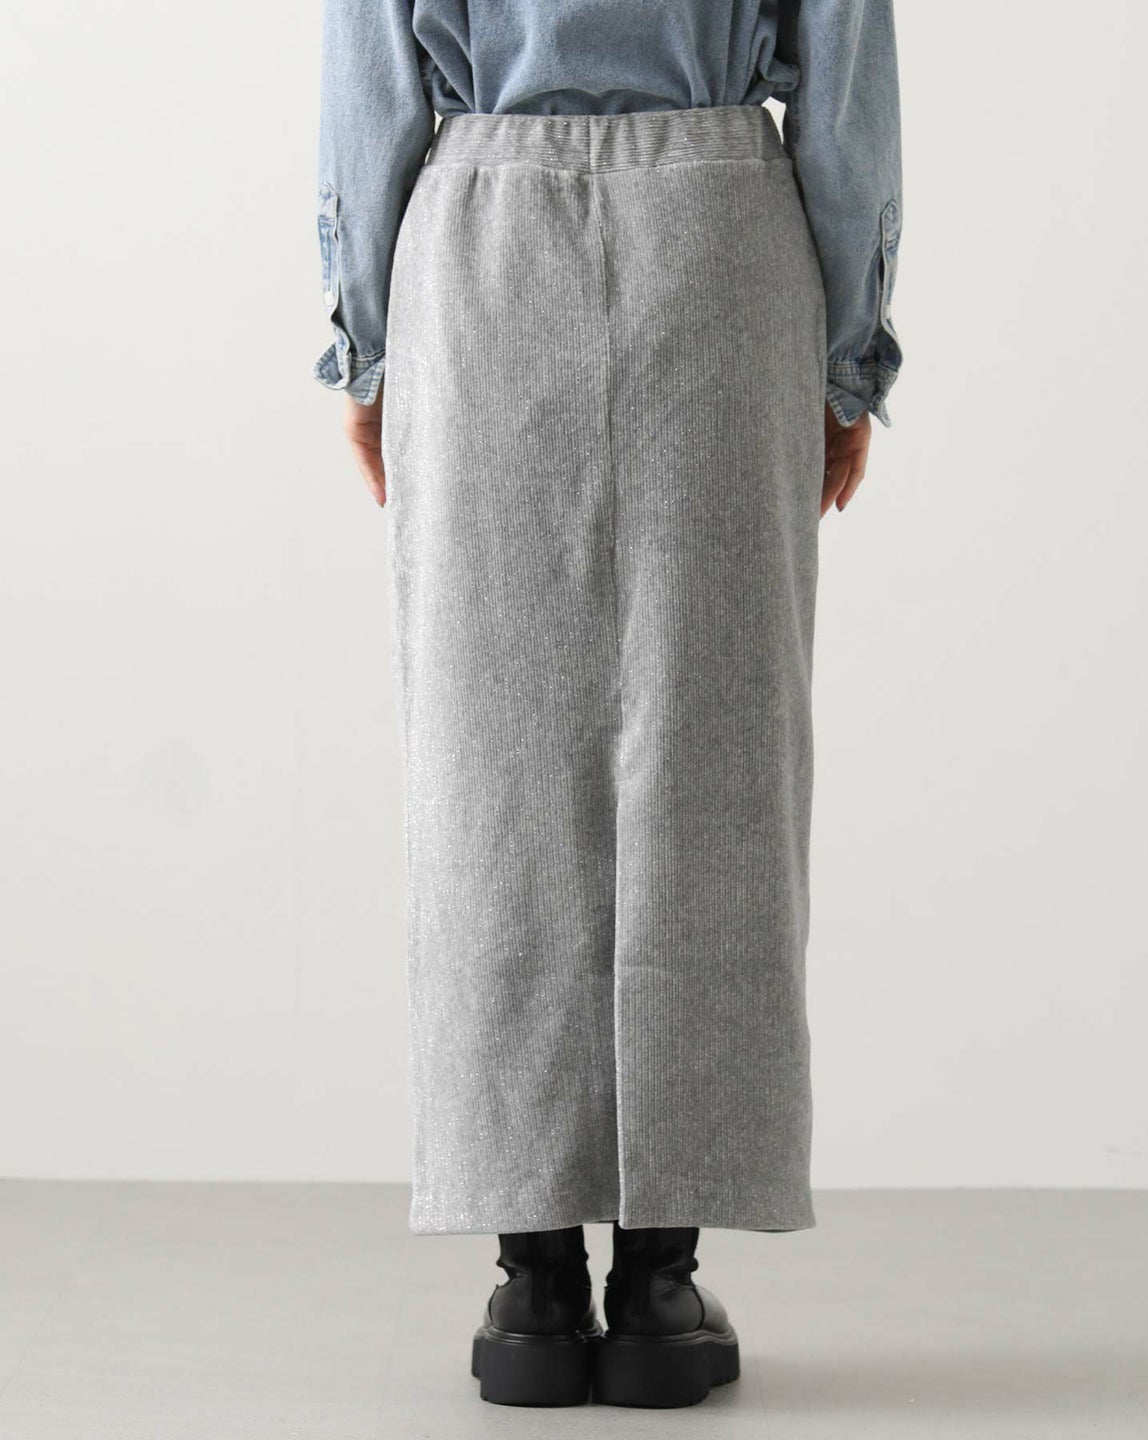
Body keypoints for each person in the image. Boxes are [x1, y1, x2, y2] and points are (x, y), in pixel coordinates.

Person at [314, 0, 902, 1410]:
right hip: (720, 234)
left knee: (490, 762)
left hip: (483, 235)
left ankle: (532, 1279)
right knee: (717, 750)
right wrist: (849, 356)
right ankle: (658, 1283)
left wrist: (366, 344)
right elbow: (846, 85)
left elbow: (370, 77)